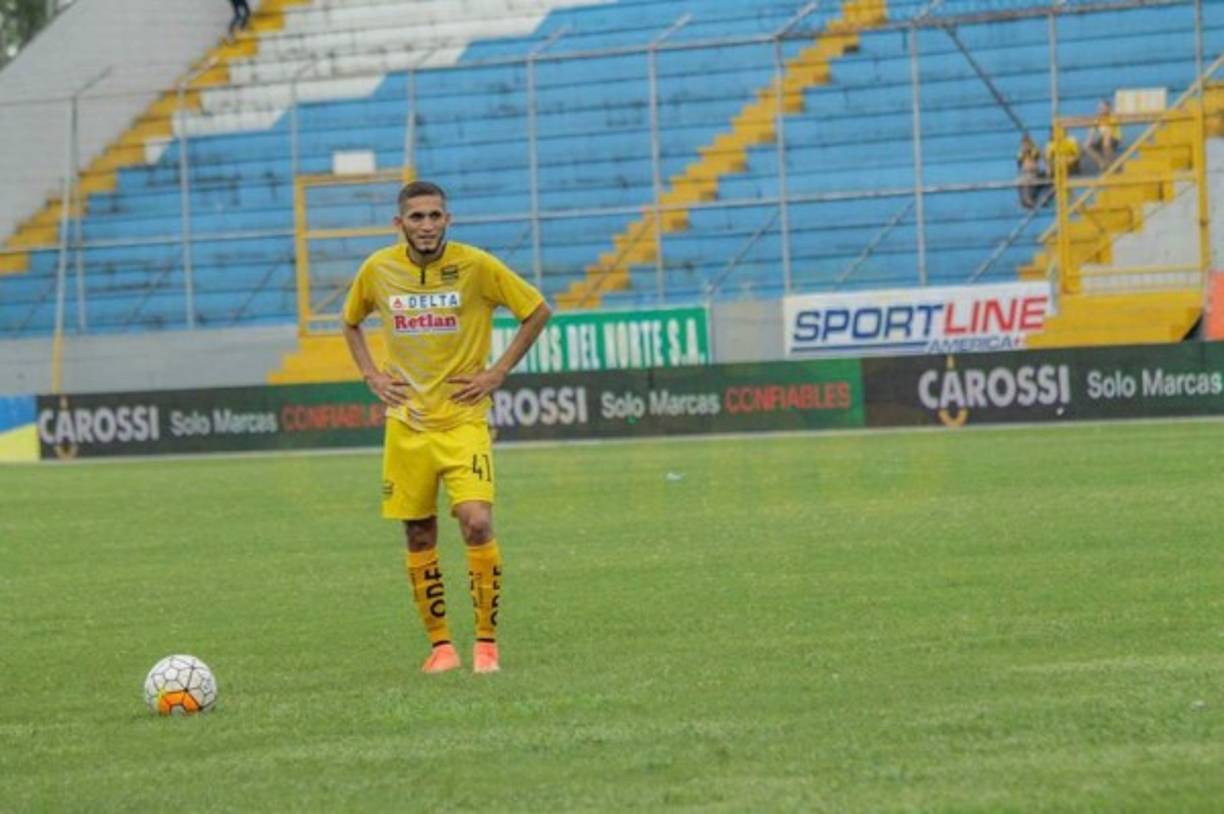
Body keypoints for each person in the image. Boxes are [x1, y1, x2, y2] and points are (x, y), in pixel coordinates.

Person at [341, 180, 551, 674]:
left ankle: (486, 645)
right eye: (417, 217)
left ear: (448, 220)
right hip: (407, 423)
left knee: (476, 521)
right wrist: (371, 375)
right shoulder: (378, 269)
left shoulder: (476, 265)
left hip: (462, 419)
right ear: (399, 224)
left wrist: (497, 372)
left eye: (435, 215)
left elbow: (537, 310)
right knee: (418, 533)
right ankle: (441, 648)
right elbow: (350, 321)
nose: (427, 225)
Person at [1084, 99, 1122, 172]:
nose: (1100, 110)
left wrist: (1105, 142)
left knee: (1106, 144)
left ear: (1108, 108)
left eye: (1102, 108)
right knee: (1086, 146)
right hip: (1104, 139)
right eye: (1099, 108)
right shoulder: (1097, 118)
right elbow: (1091, 131)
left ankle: (1113, 165)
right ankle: (1102, 162)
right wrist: (1088, 142)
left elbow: (1109, 132)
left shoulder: (1112, 116)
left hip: (1114, 138)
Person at [1015, 132, 1048, 209]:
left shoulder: (1035, 150)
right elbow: (1019, 162)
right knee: (1021, 182)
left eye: (1027, 144)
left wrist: (1031, 150)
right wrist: (1024, 152)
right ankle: (1026, 201)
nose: (1026, 146)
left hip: (1034, 173)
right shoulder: (1020, 153)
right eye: (1024, 144)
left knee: (1042, 179)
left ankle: (1040, 199)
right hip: (1025, 174)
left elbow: (1037, 155)